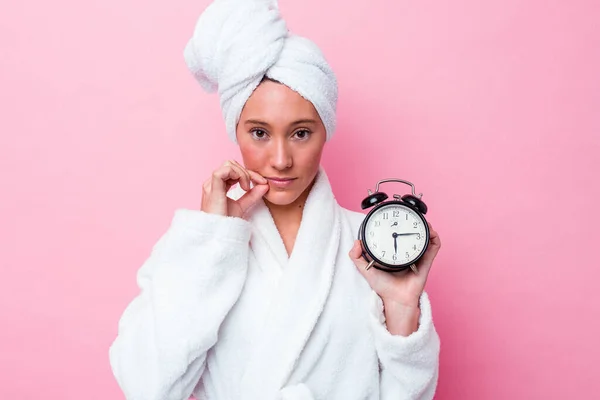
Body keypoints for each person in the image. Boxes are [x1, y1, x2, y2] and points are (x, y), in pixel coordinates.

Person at [108, 0, 442, 399]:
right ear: (237, 133)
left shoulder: (371, 248)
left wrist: (403, 309)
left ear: (325, 130)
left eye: (301, 133)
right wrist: (213, 238)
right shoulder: (196, 248)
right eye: (260, 133)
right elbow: (148, 387)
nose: (281, 160)